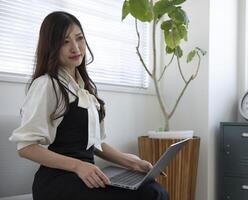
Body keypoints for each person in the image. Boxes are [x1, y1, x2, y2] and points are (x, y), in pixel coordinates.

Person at [9, 11, 169, 200]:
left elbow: (94, 144)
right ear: (51, 47)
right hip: (57, 183)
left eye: (79, 39)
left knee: (151, 187)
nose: (75, 48)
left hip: (85, 175)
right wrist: (79, 166)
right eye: (64, 41)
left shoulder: (84, 87)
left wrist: (132, 163)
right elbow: (26, 147)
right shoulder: (47, 84)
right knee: (150, 194)